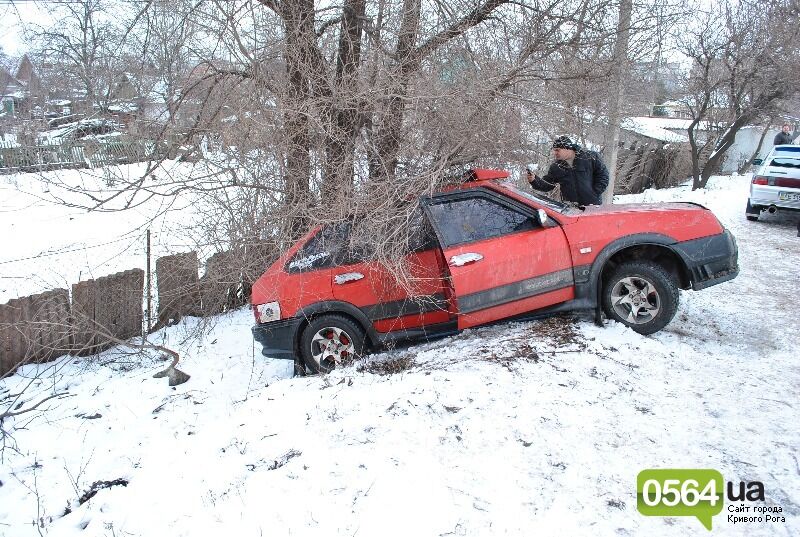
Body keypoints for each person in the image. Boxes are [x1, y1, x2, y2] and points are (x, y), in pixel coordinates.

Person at [527, 136, 609, 205]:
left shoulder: (590, 157)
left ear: (567, 148)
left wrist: (595, 193)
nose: (554, 153)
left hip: (592, 206)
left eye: (557, 150)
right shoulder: (556, 166)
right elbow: (548, 184)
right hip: (570, 209)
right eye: (554, 150)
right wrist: (534, 180)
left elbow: (603, 175)